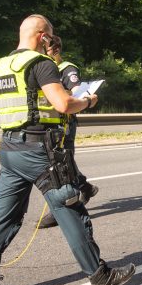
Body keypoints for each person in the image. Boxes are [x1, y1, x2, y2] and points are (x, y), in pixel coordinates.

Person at [0, 14, 135, 285]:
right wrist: (88, 102)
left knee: (3, 219)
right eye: (52, 37)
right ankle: (101, 278)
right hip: (40, 152)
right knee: (69, 208)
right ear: (44, 36)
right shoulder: (40, 64)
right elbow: (64, 104)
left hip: (9, 151)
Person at [37, 34, 97, 229]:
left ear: (55, 50)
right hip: (48, 124)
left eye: (44, 50)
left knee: (61, 165)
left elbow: (77, 91)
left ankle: (62, 207)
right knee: (64, 163)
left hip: (65, 124)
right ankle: (85, 188)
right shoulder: (41, 66)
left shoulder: (66, 68)